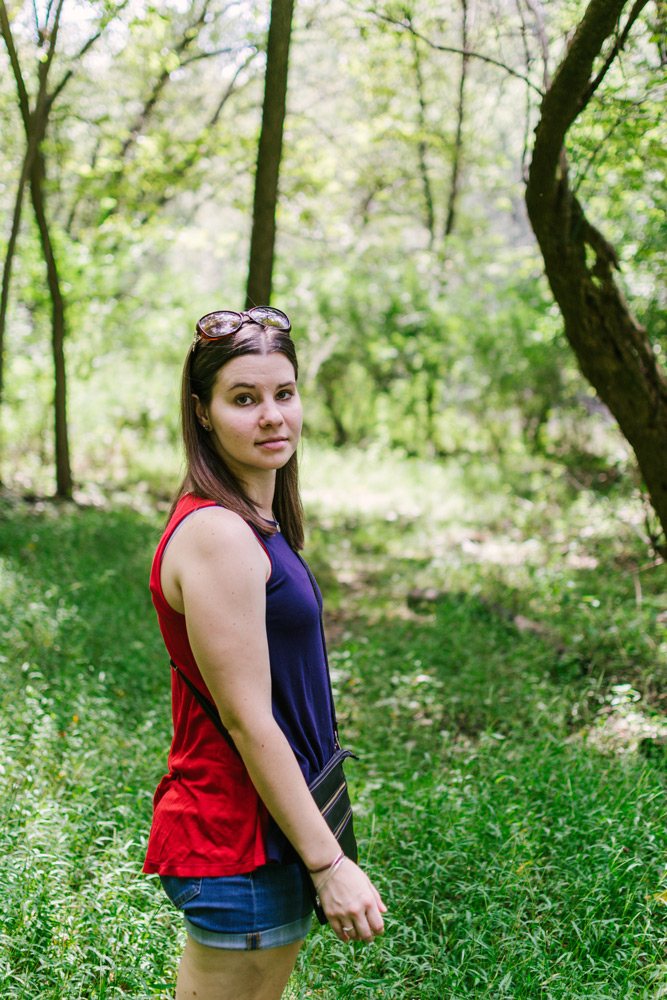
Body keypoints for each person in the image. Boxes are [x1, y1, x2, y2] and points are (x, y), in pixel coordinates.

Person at [144, 307, 386, 1000]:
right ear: (204, 414)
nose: (272, 415)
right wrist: (329, 863)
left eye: (283, 393)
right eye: (244, 399)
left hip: (266, 832)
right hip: (240, 842)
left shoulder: (254, 524)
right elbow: (250, 719)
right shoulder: (219, 535)